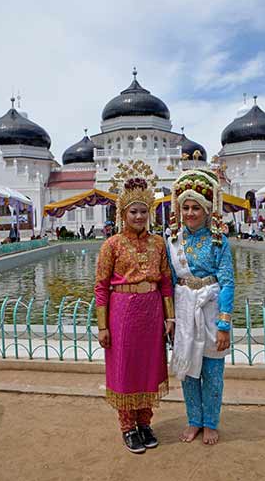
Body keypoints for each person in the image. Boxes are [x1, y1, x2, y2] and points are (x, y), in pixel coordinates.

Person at [94, 161, 175, 454]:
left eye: (143, 211)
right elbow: (101, 287)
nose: (139, 216)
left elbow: (166, 281)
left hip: (152, 312)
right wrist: (103, 326)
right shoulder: (112, 245)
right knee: (126, 369)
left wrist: (170, 318)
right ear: (123, 213)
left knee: (150, 367)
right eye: (133, 211)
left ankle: (145, 422)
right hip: (122, 314)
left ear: (149, 213)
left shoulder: (158, 244)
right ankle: (128, 426)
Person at [167, 169, 234, 446]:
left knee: (212, 372)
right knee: (188, 371)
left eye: (196, 207)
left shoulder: (219, 241)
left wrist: (223, 325)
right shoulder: (173, 242)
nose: (191, 213)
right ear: (179, 210)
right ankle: (194, 420)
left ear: (207, 211)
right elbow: (169, 282)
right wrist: (170, 319)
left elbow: (228, 282)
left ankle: (210, 423)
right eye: (186, 207)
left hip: (210, 309)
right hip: (184, 311)